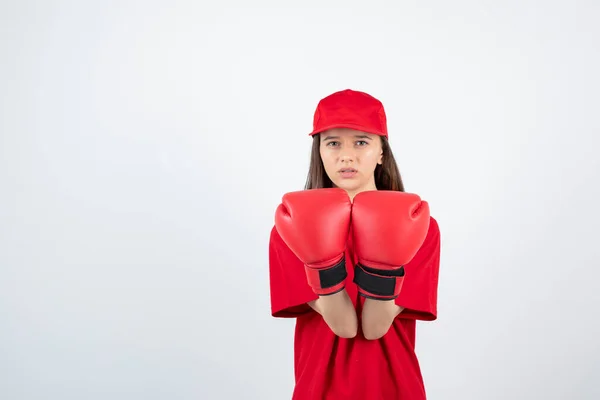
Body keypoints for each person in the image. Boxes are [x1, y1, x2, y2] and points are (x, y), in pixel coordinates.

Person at [268, 89, 441, 400]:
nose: (346, 156)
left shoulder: (419, 225)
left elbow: (375, 327)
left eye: (361, 142)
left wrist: (385, 256)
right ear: (318, 151)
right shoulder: (290, 227)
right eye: (332, 143)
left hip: (396, 390)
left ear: (381, 152)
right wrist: (320, 260)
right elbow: (344, 327)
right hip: (318, 391)